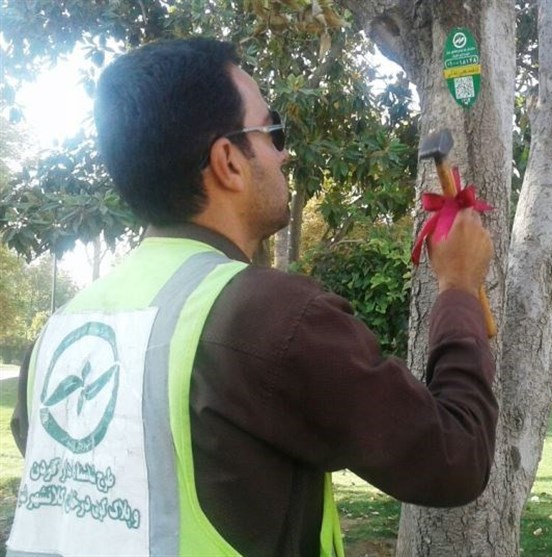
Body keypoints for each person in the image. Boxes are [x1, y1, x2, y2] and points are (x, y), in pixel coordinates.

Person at [7, 38, 497, 557]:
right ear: (228, 162)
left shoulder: (60, 331)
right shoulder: (272, 318)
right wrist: (459, 288)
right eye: (272, 130)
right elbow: (454, 457)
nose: (284, 152)